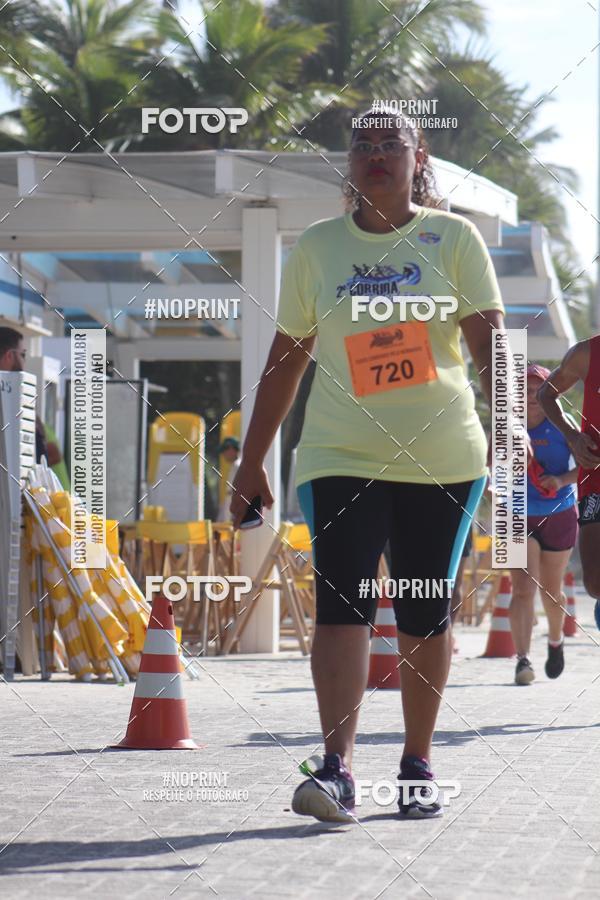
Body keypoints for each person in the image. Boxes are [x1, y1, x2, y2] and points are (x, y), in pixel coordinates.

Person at [231, 106, 504, 821]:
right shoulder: (319, 248)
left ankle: (417, 765)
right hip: (338, 455)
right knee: (342, 607)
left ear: (419, 159)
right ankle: (336, 770)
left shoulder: (453, 238)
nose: (376, 154)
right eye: (362, 146)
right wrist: (251, 460)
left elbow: (488, 345)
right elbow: (286, 361)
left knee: (422, 610)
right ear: (347, 165)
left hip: (442, 459)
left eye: (392, 144)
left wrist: (517, 430)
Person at [509, 365, 578, 686]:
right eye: (524, 390)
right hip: (516, 513)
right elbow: (489, 466)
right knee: (522, 589)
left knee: (552, 592)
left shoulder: (563, 425)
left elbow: (591, 462)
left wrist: (561, 479)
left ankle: (555, 640)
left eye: (539, 390)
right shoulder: (506, 428)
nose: (531, 398)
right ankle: (522, 660)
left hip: (560, 512)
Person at [538, 338, 600, 629]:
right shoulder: (586, 353)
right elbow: (545, 395)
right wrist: (573, 436)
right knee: (595, 582)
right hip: (596, 479)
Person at [0, 327, 61, 466]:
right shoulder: (20, 407)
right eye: (23, 355)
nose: (24, 362)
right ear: (9, 356)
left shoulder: (20, 405)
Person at [217, 436, 241, 521]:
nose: (223, 454)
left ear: (231, 449)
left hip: (234, 515)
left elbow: (238, 493)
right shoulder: (234, 466)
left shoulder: (238, 466)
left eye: (224, 450)